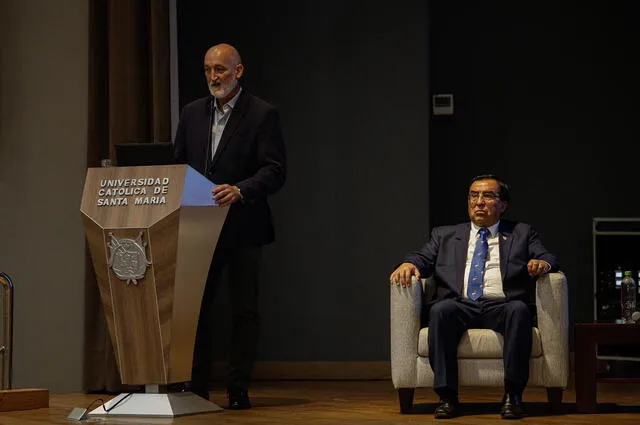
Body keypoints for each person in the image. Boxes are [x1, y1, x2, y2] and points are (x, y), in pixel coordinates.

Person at [389, 175, 558, 420]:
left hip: (502, 304)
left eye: (488, 196)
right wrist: (407, 263)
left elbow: (549, 257)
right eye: (473, 195)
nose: (479, 202)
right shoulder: (445, 235)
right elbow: (422, 258)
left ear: (503, 204)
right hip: (460, 304)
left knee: (519, 310)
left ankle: (513, 396)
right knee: (440, 310)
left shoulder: (521, 233)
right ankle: (447, 397)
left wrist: (542, 263)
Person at [173, 43, 286, 409]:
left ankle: (238, 387)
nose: (213, 77)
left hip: (243, 227)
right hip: (198, 225)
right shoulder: (192, 113)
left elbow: (275, 169)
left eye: (220, 69)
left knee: (243, 311)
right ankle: (196, 386)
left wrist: (240, 190)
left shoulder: (262, 114)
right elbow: (178, 165)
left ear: (238, 71)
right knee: (196, 309)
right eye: (207, 70)